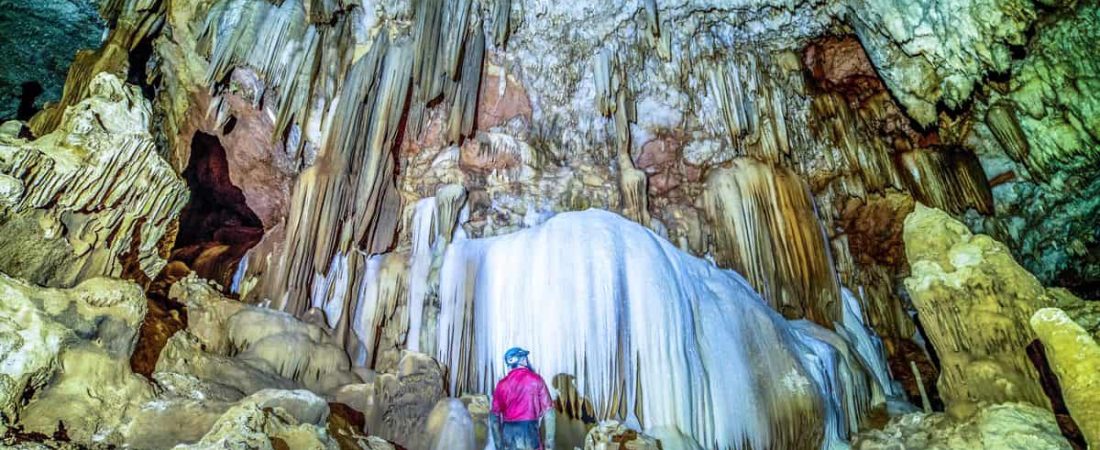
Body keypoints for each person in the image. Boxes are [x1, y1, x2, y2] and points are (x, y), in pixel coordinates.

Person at [490, 347, 556, 450]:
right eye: (524, 357)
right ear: (522, 360)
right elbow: (549, 412)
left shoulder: (501, 385)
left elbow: (494, 417)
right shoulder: (536, 380)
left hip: (508, 434)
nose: (526, 359)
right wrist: (549, 443)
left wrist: (498, 444)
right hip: (529, 432)